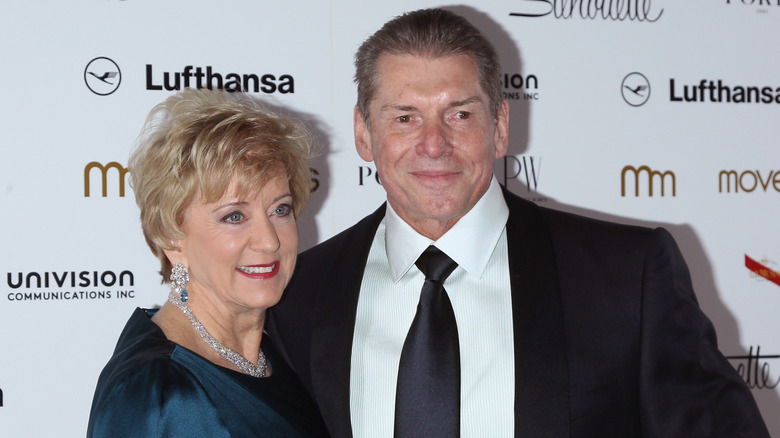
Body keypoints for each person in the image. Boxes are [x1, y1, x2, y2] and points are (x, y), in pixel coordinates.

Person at [268, 8, 769, 438]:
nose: (434, 144)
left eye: (459, 115)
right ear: (363, 133)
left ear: (500, 127)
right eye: (405, 117)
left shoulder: (628, 278)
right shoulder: (297, 295)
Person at [88, 88, 329, 437]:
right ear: (171, 236)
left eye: (280, 209)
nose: (269, 240)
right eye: (234, 216)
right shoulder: (161, 393)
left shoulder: (276, 354)